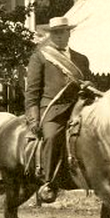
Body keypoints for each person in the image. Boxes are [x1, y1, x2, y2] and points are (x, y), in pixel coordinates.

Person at [24, 16, 94, 203]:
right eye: (55, 33)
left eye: (63, 32)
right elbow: (32, 91)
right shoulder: (40, 57)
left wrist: (88, 84)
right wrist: (34, 119)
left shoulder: (81, 59)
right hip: (53, 109)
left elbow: (90, 82)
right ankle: (48, 181)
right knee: (53, 136)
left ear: (69, 33)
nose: (59, 36)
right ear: (50, 35)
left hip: (80, 106)